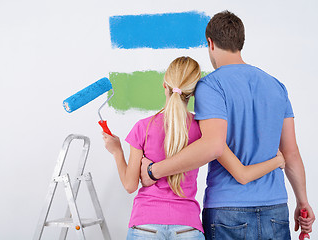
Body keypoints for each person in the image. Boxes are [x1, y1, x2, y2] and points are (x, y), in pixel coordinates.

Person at [140, 11, 315, 239]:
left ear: (210, 43)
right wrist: (303, 202)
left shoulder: (211, 86)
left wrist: (154, 171)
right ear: (240, 42)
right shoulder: (276, 86)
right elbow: (291, 153)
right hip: (276, 208)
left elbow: (213, 145)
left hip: (227, 211)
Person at [103, 56, 285, 240]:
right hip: (187, 227)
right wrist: (277, 160)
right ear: (193, 91)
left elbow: (129, 184)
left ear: (164, 84)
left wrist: (117, 151)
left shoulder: (143, 127)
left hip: (145, 224)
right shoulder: (204, 132)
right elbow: (241, 172)